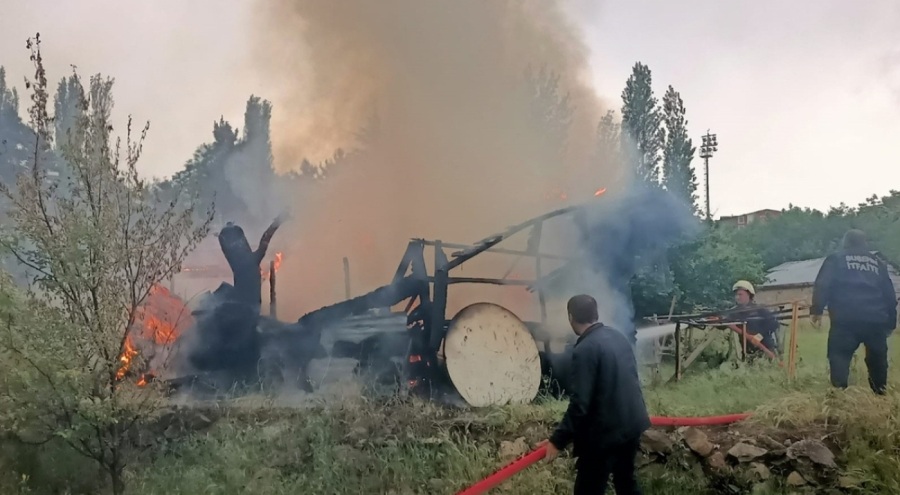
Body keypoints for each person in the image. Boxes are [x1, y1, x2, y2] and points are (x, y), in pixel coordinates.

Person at [542, 295, 650, 495]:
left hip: (606, 434)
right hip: (632, 424)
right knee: (626, 482)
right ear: (596, 313)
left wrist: (558, 440)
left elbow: (580, 404)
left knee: (588, 489)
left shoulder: (584, 349)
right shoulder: (618, 336)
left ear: (571, 317)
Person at [811, 229, 897, 395]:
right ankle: (880, 394)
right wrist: (891, 322)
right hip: (875, 320)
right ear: (865, 243)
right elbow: (889, 294)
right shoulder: (878, 263)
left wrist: (817, 310)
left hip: (846, 320)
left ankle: (840, 395)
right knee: (878, 360)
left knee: (839, 357)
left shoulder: (836, 259)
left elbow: (823, 285)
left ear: (845, 242)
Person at [217, 212, 286, 306]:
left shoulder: (236, 261)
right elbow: (266, 238)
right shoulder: (250, 260)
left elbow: (265, 239)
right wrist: (277, 222)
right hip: (250, 306)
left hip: (244, 305)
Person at [729, 280, 780, 357]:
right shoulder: (734, 312)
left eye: (740, 294)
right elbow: (723, 323)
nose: (737, 297)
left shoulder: (760, 309)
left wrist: (759, 336)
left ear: (749, 294)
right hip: (747, 350)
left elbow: (774, 324)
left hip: (766, 347)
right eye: (736, 295)